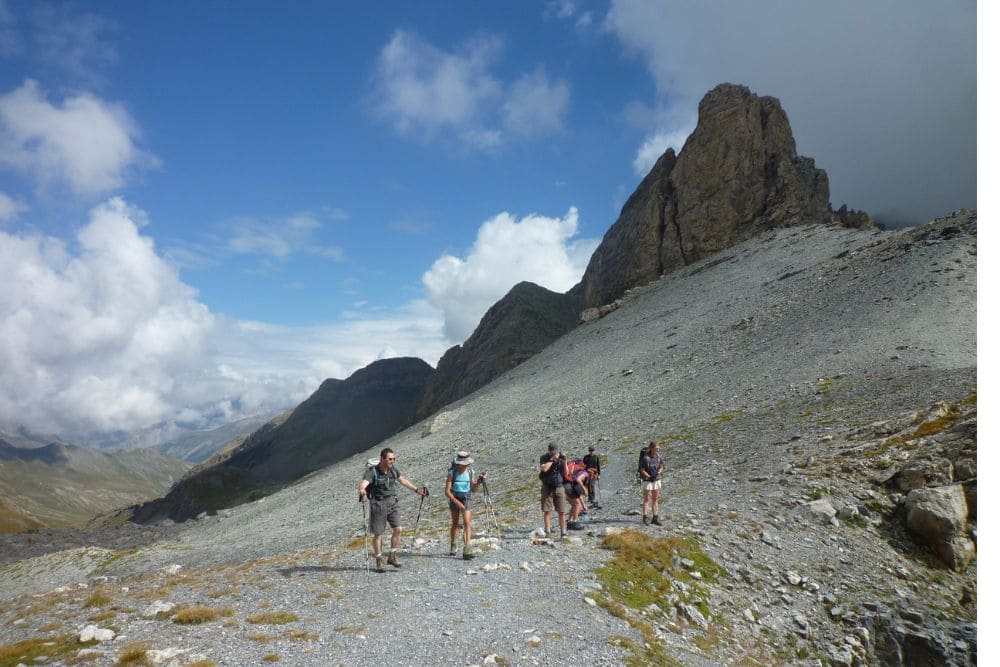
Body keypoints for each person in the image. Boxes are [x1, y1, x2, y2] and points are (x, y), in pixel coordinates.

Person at [358, 447, 429, 572]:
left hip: (392, 502)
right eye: (390, 459)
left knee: (398, 529)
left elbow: (403, 480)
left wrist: (417, 490)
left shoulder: (393, 470)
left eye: (393, 459)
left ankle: (392, 555)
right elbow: (363, 484)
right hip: (378, 504)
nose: (392, 461)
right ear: (382, 459)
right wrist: (362, 490)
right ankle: (379, 559)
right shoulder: (372, 472)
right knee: (379, 533)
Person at [445, 451, 486, 560]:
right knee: (455, 523)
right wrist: (456, 502)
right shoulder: (452, 473)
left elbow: (473, 489)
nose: (465, 465)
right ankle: (453, 544)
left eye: (467, 463)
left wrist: (479, 482)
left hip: (466, 498)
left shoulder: (471, 472)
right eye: (463, 463)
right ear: (459, 463)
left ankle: (467, 549)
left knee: (467, 523)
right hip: (454, 497)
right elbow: (447, 491)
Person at [538, 442, 569, 538]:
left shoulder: (561, 458)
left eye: (555, 451)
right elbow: (544, 469)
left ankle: (563, 531)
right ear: (549, 450)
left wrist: (565, 461)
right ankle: (547, 530)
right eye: (552, 451)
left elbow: (566, 472)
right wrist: (551, 460)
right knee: (547, 510)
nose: (554, 453)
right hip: (547, 487)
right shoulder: (544, 457)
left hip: (559, 486)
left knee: (562, 511)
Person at [638, 441, 664, 526]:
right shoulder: (645, 458)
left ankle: (655, 517)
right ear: (652, 448)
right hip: (647, 481)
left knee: (655, 499)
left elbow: (661, 466)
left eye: (658, 448)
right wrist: (648, 476)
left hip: (656, 479)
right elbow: (642, 470)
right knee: (646, 499)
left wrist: (659, 472)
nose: (658, 450)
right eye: (656, 448)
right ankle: (645, 517)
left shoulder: (658, 457)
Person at [564, 461, 589, 530]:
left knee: (574, 505)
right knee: (578, 505)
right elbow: (578, 480)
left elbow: (579, 495)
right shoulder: (585, 473)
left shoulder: (575, 473)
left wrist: (584, 505)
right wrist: (584, 489)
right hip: (568, 487)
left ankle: (569, 523)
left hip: (564, 487)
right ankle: (575, 523)